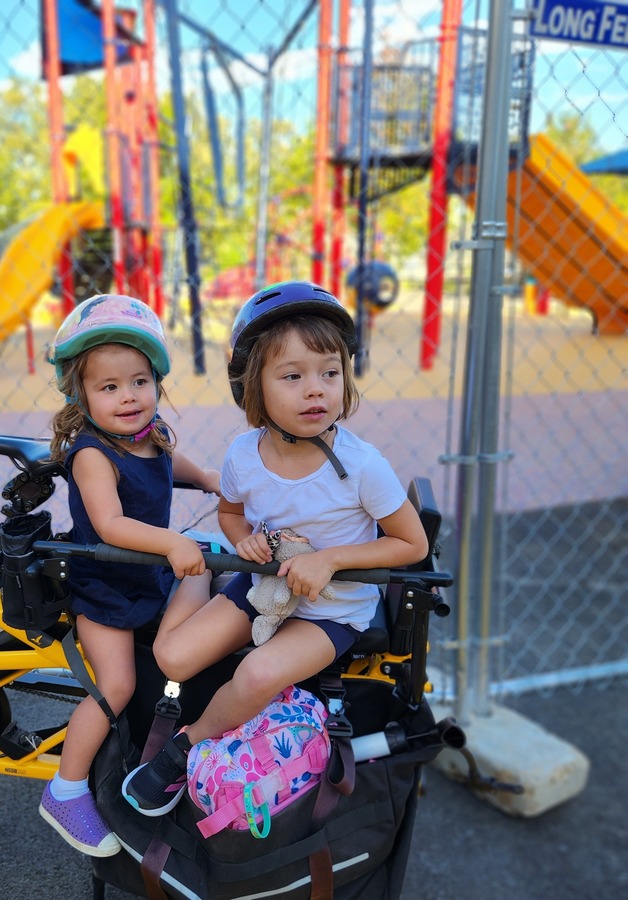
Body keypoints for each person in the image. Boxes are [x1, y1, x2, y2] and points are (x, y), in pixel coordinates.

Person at [121, 280, 428, 816]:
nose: (317, 390)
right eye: (292, 376)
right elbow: (232, 513)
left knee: (259, 673)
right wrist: (241, 543)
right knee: (172, 658)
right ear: (253, 387)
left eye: (329, 373)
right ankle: (195, 573)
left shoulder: (362, 466)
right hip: (264, 586)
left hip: (332, 610)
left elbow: (411, 543)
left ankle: (183, 748)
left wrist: (331, 558)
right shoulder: (243, 454)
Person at [38, 294, 221, 856]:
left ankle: (182, 682)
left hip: (147, 576)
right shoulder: (92, 454)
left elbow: (176, 468)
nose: (128, 398)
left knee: (211, 565)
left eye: (139, 382)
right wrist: (172, 541)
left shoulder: (152, 431)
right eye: (109, 387)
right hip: (107, 588)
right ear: (82, 395)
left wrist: (219, 482)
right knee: (115, 685)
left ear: (157, 384)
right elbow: (111, 524)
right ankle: (65, 791)